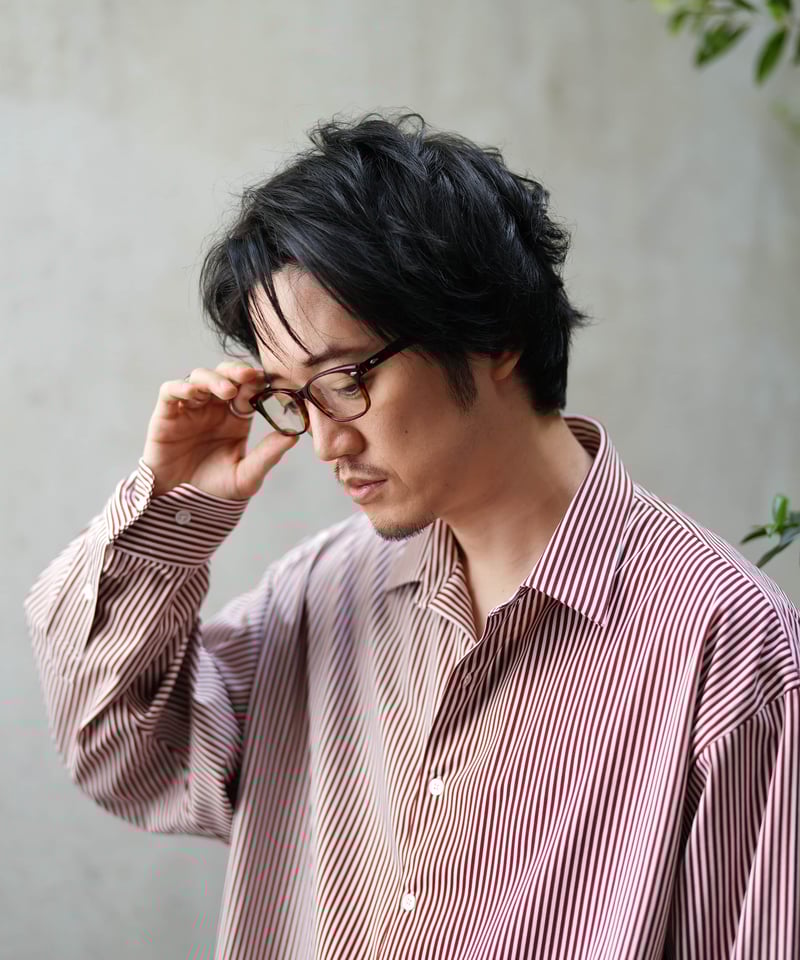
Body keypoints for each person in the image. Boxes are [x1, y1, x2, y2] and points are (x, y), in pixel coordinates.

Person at [25, 113, 799, 960]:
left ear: (492, 334)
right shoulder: (323, 592)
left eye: (345, 379)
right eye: (293, 399)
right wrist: (174, 510)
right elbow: (121, 753)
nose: (326, 441)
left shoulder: (728, 648)